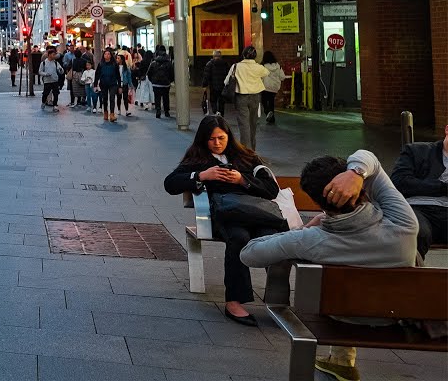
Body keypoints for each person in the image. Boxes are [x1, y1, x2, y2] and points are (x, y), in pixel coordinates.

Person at [241, 150, 419, 381]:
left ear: (317, 202)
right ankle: (341, 362)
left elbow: (248, 254)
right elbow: (370, 158)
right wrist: (356, 173)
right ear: (360, 188)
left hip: (342, 318)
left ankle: (341, 360)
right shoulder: (404, 222)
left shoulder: (311, 240)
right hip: (397, 318)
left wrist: (304, 229)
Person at [165, 115, 282, 326]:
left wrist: (242, 180)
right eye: (212, 139)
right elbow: (170, 183)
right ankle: (234, 302)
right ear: (203, 140)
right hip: (227, 215)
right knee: (238, 237)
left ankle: (278, 300)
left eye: (221, 137)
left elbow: (271, 189)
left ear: (228, 136)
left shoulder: (246, 157)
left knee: (271, 238)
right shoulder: (197, 159)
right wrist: (202, 176)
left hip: (257, 214)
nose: (217, 143)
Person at [391, 123, 448, 259]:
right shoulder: (417, 151)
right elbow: (399, 181)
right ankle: (411, 277)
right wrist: (442, 188)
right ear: (447, 129)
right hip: (419, 208)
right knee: (417, 233)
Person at [228, 46, 269, 151]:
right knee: (253, 122)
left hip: (241, 97)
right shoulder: (258, 67)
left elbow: (226, 81)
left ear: (243, 55)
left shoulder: (236, 66)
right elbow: (266, 73)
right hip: (255, 97)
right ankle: (252, 148)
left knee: (244, 124)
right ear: (255, 56)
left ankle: (246, 149)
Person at [200, 50, 230, 116]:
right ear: (220, 56)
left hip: (213, 86)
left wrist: (204, 85)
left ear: (213, 56)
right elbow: (228, 75)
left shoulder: (209, 64)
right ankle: (221, 114)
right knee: (221, 101)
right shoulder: (225, 64)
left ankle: (215, 111)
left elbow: (206, 76)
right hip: (223, 86)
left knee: (213, 100)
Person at [147, 47, 174, 119]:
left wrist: (152, 81)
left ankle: (158, 111)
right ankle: (166, 111)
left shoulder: (153, 63)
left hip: (156, 84)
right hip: (165, 84)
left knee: (157, 98)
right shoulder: (169, 63)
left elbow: (149, 73)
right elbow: (172, 74)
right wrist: (169, 81)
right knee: (166, 98)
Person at [260, 51, 285, 124]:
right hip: (275, 88)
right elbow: (282, 77)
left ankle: (267, 112)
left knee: (264, 101)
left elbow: (260, 77)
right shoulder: (278, 66)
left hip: (266, 87)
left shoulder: (263, 66)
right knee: (271, 102)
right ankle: (272, 118)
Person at [94, 49, 119, 122]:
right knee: (104, 99)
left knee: (112, 98)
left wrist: (119, 86)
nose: (107, 55)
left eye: (108, 54)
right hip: (103, 84)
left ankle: (112, 114)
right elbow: (97, 74)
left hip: (113, 84)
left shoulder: (114, 64)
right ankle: (105, 112)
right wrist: (95, 84)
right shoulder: (101, 64)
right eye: (105, 54)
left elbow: (118, 76)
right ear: (103, 55)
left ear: (111, 55)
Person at [116, 53, 134, 117]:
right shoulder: (116, 67)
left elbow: (129, 78)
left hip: (125, 84)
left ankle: (127, 110)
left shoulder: (126, 68)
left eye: (118, 58)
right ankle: (118, 110)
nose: (117, 59)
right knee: (118, 97)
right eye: (117, 58)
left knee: (125, 98)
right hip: (118, 84)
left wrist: (131, 86)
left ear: (122, 60)